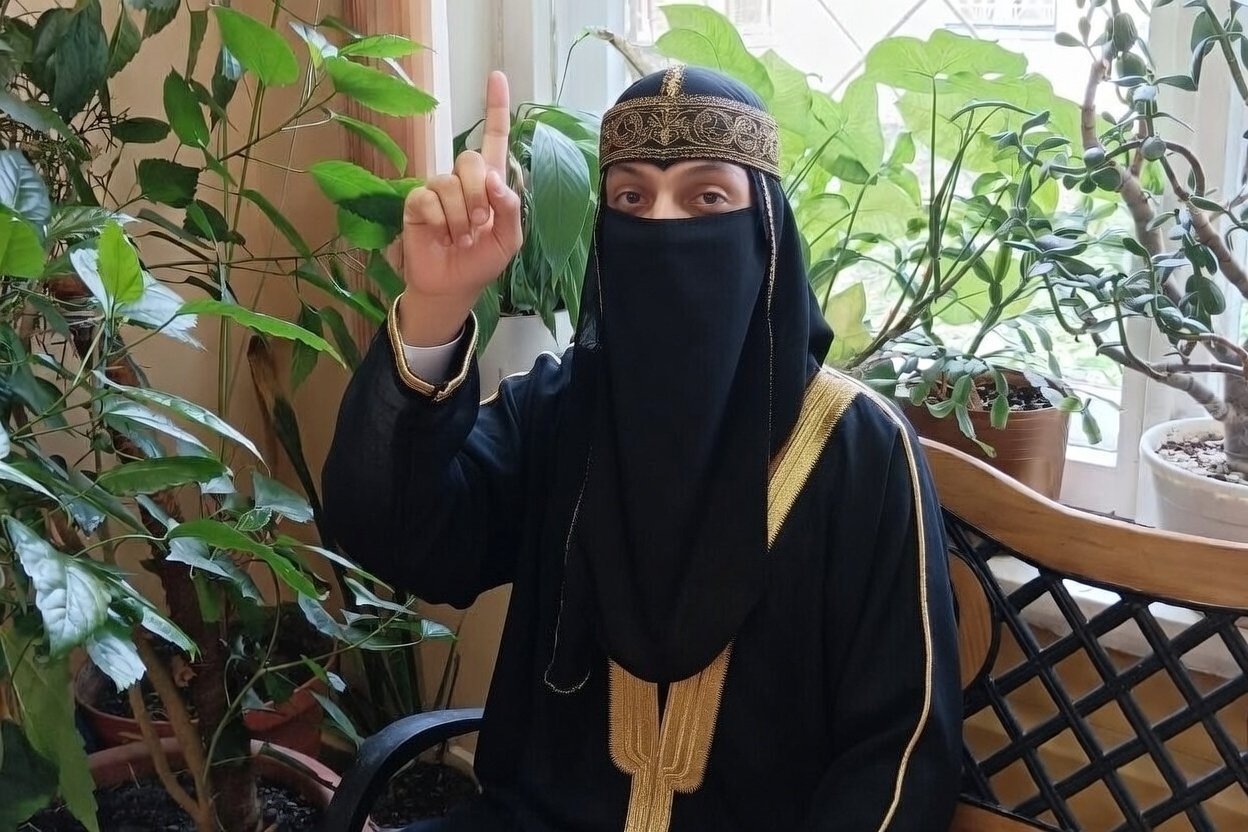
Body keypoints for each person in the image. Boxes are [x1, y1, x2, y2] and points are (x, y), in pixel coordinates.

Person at [322, 64, 963, 832]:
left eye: (706, 198)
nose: (663, 227)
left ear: (765, 230)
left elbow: (900, 751)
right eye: (631, 198)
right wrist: (436, 306)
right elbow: (394, 530)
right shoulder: (559, 414)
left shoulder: (861, 452)